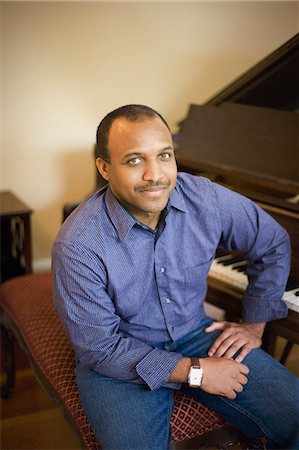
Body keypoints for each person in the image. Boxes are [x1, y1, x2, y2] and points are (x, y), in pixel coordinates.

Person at [52, 104, 299, 450]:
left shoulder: (204, 197)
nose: (155, 174)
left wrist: (253, 325)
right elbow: (101, 348)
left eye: (164, 155)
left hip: (195, 333)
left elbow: (271, 242)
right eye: (135, 160)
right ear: (105, 168)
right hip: (121, 356)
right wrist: (197, 372)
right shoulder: (77, 245)